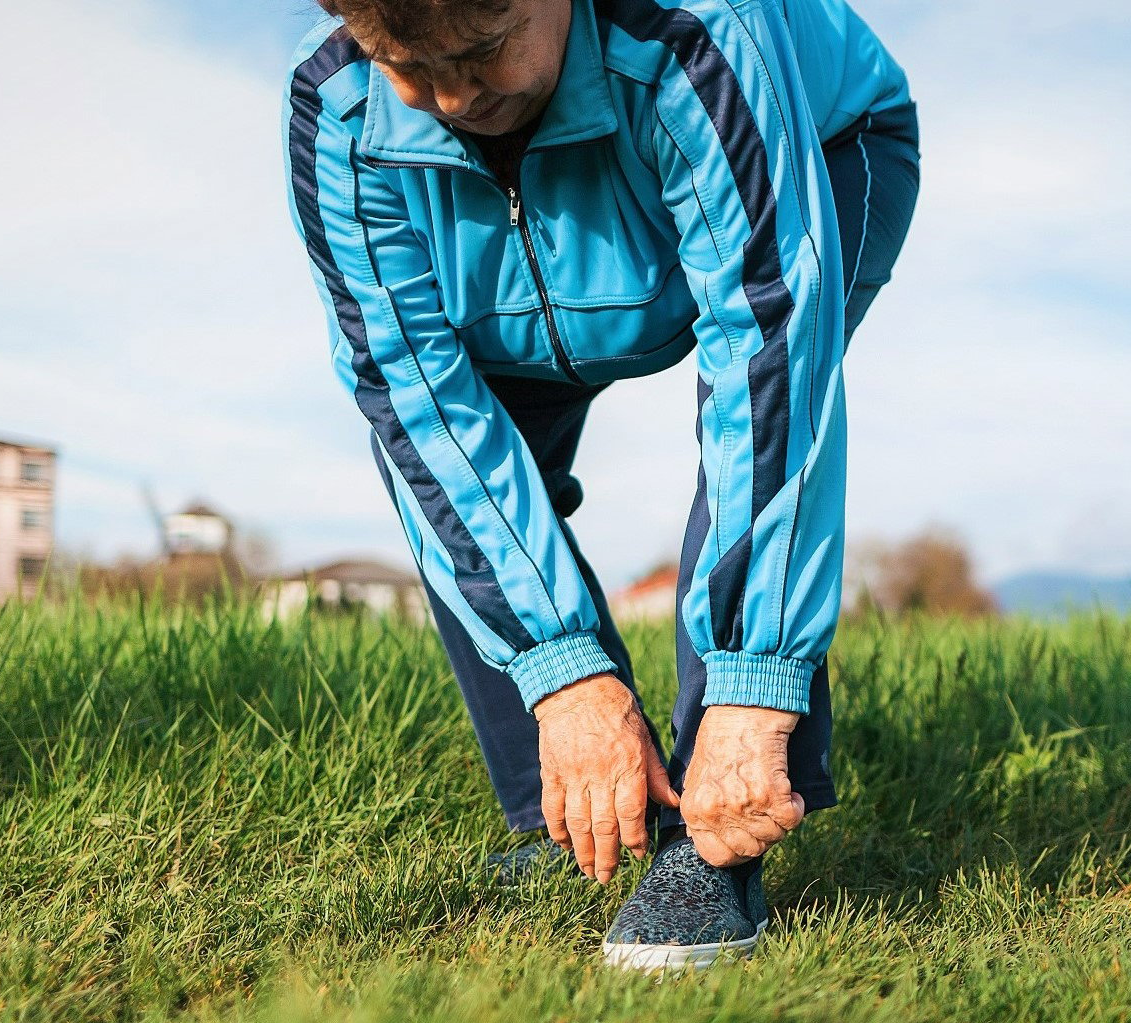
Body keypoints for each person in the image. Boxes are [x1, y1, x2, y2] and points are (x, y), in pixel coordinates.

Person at [285, 0, 918, 968]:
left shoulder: (693, 30)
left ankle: (713, 835)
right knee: (446, 473)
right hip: (511, 279)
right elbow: (420, 403)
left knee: (753, 427)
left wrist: (752, 686)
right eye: (408, 66)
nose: (452, 98)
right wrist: (565, 675)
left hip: (815, 146)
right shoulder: (335, 105)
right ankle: (567, 812)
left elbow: (767, 354)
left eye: (482, 48)